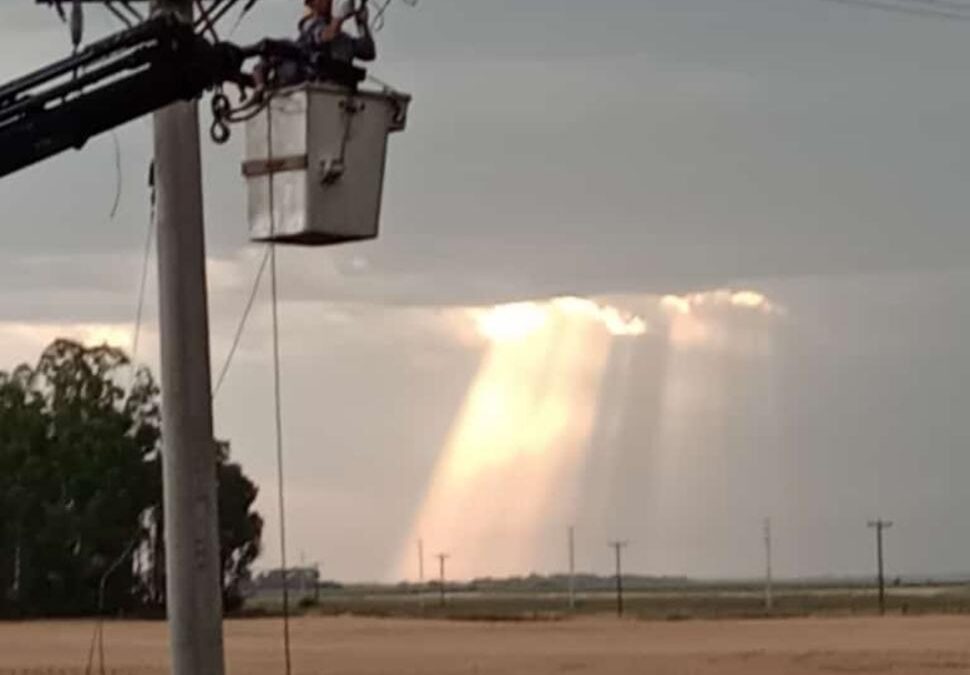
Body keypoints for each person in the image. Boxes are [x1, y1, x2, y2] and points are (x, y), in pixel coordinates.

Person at [251, 0, 375, 95]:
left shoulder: (343, 39)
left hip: (342, 96)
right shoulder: (311, 28)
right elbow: (326, 35)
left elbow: (368, 52)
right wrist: (340, 18)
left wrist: (362, 25)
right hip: (320, 93)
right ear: (312, 4)